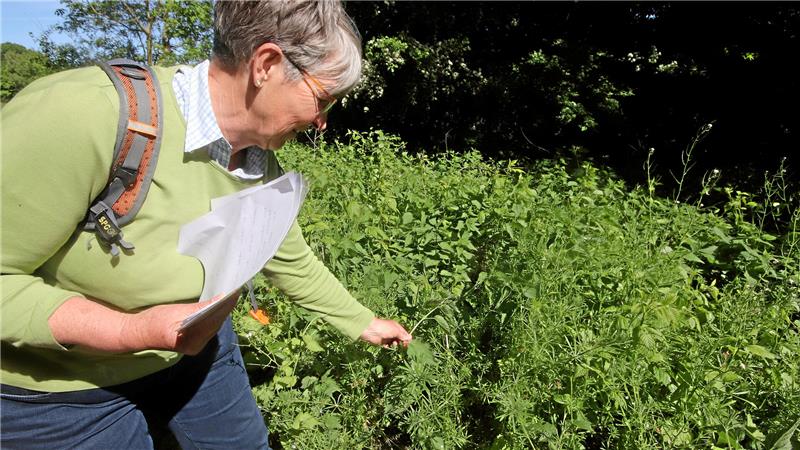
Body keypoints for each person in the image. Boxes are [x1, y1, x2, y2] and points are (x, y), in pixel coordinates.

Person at [0, 1, 412, 448]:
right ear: (267, 64)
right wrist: (132, 331)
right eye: (323, 99)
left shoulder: (260, 162)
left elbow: (285, 255)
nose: (322, 122)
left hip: (198, 360)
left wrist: (364, 322)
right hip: (61, 394)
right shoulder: (84, 116)